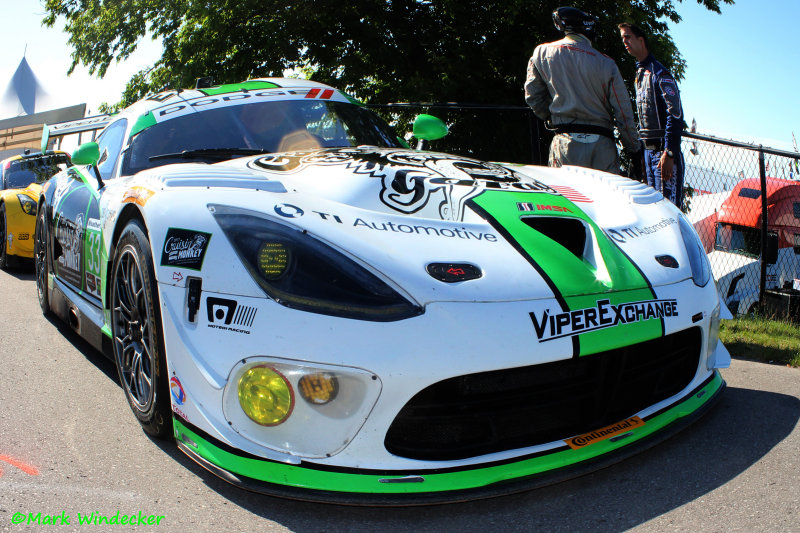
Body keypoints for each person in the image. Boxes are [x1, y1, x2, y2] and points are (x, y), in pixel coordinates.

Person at [525, 7, 642, 175]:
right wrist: (633, 149)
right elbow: (623, 112)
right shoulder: (606, 63)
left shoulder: (541, 53)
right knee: (605, 199)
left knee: (566, 200)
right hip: (602, 145)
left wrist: (553, 116)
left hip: (565, 142)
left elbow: (532, 96)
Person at [619, 22, 686, 208]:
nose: (624, 42)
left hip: (663, 154)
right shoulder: (640, 73)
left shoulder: (660, 73)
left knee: (669, 211)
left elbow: (675, 114)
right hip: (648, 154)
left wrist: (669, 152)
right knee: (653, 213)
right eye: (622, 38)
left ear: (641, 40)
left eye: (628, 37)